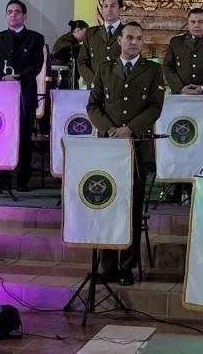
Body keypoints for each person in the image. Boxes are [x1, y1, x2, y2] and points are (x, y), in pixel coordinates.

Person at [86, 22, 165, 287]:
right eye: (129, 38)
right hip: (108, 148)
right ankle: (106, 266)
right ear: (119, 40)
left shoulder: (152, 70)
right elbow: (93, 104)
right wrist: (109, 129)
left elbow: (155, 107)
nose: (134, 43)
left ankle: (125, 266)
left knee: (130, 208)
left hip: (136, 147)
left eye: (139, 39)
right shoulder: (105, 69)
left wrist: (130, 129)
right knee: (106, 204)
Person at [0, 0, 45, 192]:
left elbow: (37, 64)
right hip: (2, 97)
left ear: (24, 16)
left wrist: (19, 77)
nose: (13, 15)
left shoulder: (36, 38)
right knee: (2, 137)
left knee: (24, 139)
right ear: (5, 15)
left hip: (24, 95)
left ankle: (22, 180)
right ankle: (2, 180)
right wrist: (2, 77)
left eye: (17, 12)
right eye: (9, 11)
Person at [77, 0, 123, 84]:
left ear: (120, 10)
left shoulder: (128, 32)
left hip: (120, 87)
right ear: (102, 10)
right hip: (95, 88)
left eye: (113, 6)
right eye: (105, 6)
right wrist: (94, 81)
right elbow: (82, 61)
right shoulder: (91, 33)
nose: (109, 10)